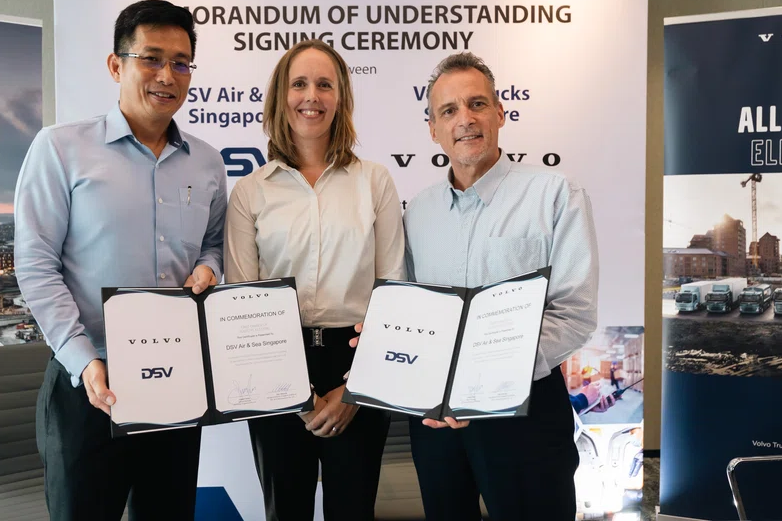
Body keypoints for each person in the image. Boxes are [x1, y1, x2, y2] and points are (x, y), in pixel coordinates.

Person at [360, 51, 599, 520]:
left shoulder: (554, 195)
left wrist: (486, 380)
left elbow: (574, 313)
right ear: (432, 128)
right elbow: (409, 312)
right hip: (436, 417)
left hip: (526, 411)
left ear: (500, 113)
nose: (464, 119)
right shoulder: (418, 213)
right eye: (448, 110)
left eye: (477, 104)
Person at [14, 0, 226, 520]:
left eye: (181, 63)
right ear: (117, 65)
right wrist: (84, 360)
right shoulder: (60, 148)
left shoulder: (208, 160)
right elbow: (36, 266)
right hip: (89, 383)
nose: (166, 76)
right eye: (151, 58)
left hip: (175, 380)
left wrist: (211, 267)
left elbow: (215, 242)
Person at [224, 39, 406, 520]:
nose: (312, 95)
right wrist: (295, 396)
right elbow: (244, 304)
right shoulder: (249, 191)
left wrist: (353, 392)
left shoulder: (375, 180)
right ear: (280, 97)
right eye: (299, 83)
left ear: (341, 97)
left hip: (357, 362)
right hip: (273, 364)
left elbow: (392, 291)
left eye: (325, 84)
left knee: (353, 509)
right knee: (285, 510)